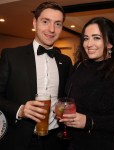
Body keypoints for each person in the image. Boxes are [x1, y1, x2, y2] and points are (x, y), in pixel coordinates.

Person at [0, 1, 72, 150]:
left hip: (55, 140)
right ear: (34, 22)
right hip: (19, 139)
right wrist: (20, 110)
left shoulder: (65, 61)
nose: (51, 29)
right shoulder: (11, 56)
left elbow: (66, 95)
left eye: (58, 24)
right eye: (45, 22)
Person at [59, 17, 114, 150]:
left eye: (96, 38)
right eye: (86, 38)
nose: (88, 44)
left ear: (109, 43)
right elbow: (68, 97)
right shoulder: (79, 66)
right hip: (72, 144)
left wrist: (89, 122)